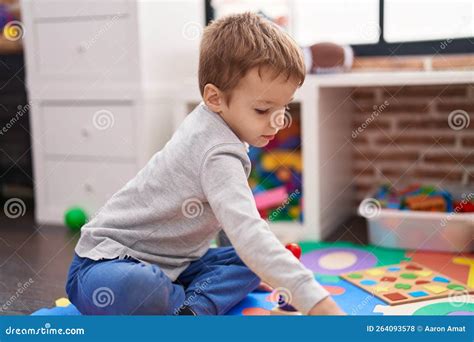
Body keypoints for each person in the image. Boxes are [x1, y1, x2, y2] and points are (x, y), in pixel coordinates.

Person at [65, 12, 345, 316]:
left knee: (251, 260)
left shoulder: (217, 118)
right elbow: (246, 231)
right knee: (142, 285)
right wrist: (319, 305)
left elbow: (233, 222)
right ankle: (184, 304)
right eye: (263, 109)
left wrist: (262, 267)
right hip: (103, 266)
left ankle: (184, 307)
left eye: (283, 107)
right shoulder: (216, 149)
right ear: (215, 98)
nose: (278, 121)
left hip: (177, 265)